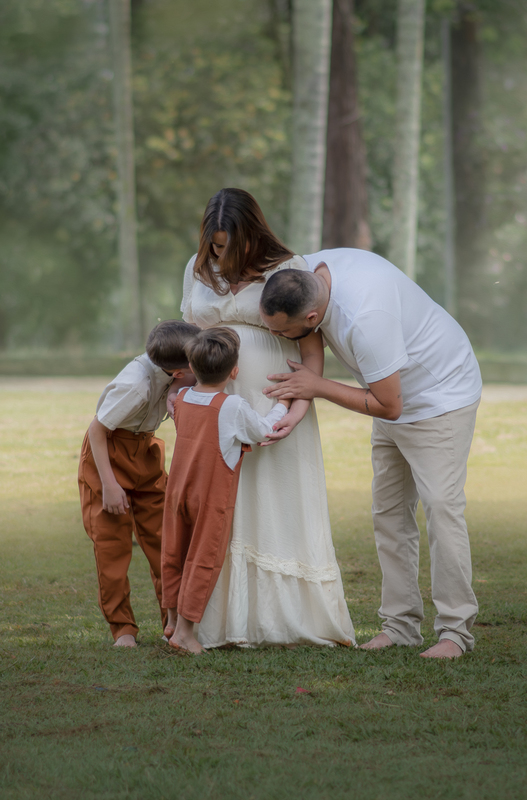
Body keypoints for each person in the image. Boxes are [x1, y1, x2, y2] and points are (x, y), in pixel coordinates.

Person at [260, 249, 483, 659]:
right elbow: (382, 400)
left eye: (280, 332)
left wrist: (317, 387)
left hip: (440, 396)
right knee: (389, 512)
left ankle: (455, 632)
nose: (276, 337)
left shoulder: (366, 319)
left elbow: (388, 406)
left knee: (441, 507)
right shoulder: (305, 272)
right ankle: (400, 626)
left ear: (311, 318)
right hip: (392, 393)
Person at [179, 188, 355, 649]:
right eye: (216, 245)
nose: (223, 254)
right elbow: (188, 337)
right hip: (215, 405)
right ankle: (217, 620)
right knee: (221, 506)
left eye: (231, 245)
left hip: (273, 406)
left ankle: (286, 619)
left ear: (252, 235)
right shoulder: (197, 270)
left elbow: (311, 348)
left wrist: (298, 409)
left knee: (274, 501)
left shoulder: (287, 268)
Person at [161, 328, 291, 654]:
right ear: (235, 372)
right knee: (203, 559)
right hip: (210, 496)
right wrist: (282, 404)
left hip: (177, 490)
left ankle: (172, 621)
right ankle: (186, 633)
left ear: (192, 364)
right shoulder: (231, 405)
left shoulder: (184, 397)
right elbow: (261, 431)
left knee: (174, 553)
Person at [77, 319, 200, 648]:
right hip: (108, 455)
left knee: (165, 541)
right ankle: (123, 629)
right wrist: (109, 484)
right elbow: (97, 430)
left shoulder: (170, 373)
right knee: (111, 546)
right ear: (178, 370)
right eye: (197, 367)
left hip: (144, 450)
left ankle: (171, 623)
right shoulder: (136, 385)